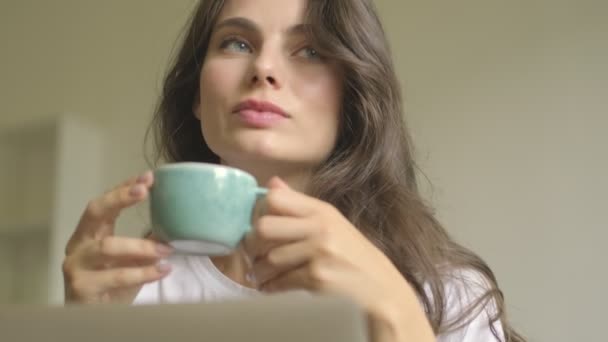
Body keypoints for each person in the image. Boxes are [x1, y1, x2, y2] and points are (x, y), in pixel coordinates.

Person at [62, 0, 526, 341]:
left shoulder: (446, 294)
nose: (263, 68)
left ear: (353, 99)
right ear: (197, 98)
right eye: (237, 43)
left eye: (310, 51)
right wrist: (82, 334)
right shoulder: (130, 298)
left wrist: (398, 319)